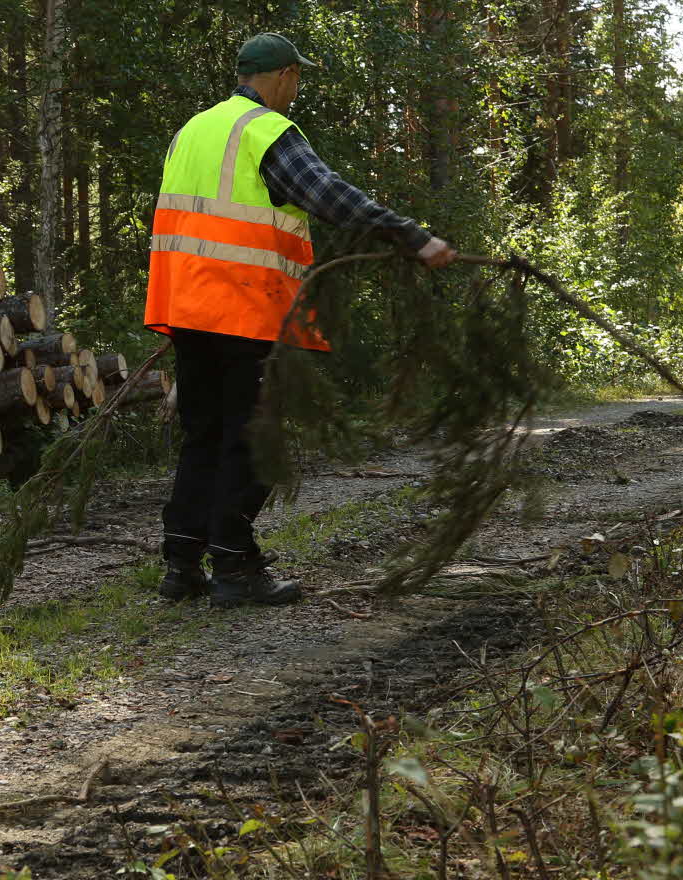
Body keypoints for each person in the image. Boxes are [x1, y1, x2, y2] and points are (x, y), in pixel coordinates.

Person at [143, 32, 457, 608]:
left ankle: (181, 564)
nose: (297, 89)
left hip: (187, 308)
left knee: (205, 436)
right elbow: (329, 195)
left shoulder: (193, 129)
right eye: (297, 78)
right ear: (283, 76)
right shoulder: (267, 133)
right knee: (252, 441)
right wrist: (410, 236)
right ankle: (235, 568)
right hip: (247, 309)